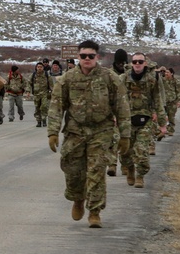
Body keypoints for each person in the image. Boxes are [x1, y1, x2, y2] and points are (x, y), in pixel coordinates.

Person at [48, 39, 131, 228]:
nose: (87, 59)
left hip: (101, 131)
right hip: (75, 132)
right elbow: (56, 107)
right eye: (83, 56)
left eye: (91, 56)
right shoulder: (67, 79)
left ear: (97, 57)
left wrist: (125, 135)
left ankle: (95, 211)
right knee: (73, 171)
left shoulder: (110, 78)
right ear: (78, 57)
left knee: (97, 171)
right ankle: (78, 199)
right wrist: (52, 132)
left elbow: (122, 107)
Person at [120, 52, 167, 188]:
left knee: (142, 152)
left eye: (140, 62)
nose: (137, 64)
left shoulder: (152, 80)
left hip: (145, 120)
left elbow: (158, 101)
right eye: (135, 62)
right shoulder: (123, 79)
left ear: (145, 63)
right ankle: (130, 170)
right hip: (127, 120)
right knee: (125, 152)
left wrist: (162, 124)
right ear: (131, 63)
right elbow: (116, 99)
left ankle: (140, 176)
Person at [107, 48, 129, 177]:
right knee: (113, 139)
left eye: (123, 62)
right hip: (114, 111)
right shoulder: (109, 75)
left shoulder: (131, 74)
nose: (121, 65)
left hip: (129, 112)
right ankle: (112, 164)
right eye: (119, 62)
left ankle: (125, 165)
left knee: (126, 139)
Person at [161, 67, 180, 136]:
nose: (166, 73)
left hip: (172, 102)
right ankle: (161, 130)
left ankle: (171, 130)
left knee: (171, 117)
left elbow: (179, 91)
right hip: (163, 102)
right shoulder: (162, 81)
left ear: (172, 73)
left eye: (168, 72)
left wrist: (179, 101)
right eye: (165, 72)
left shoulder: (175, 81)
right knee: (161, 116)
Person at [30, 61, 52, 127]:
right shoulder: (33, 75)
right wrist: (28, 91)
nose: (39, 68)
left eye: (41, 67)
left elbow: (51, 84)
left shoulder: (46, 75)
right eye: (38, 67)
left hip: (44, 93)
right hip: (36, 94)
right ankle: (38, 121)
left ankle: (44, 119)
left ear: (43, 68)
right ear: (36, 68)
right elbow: (29, 83)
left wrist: (53, 91)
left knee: (44, 106)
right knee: (37, 108)